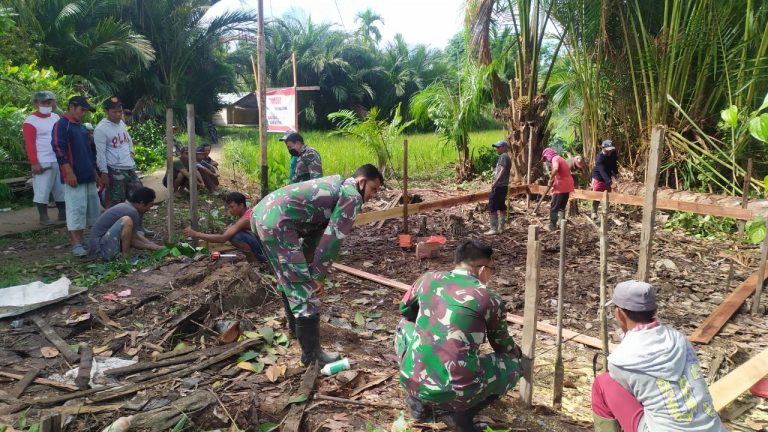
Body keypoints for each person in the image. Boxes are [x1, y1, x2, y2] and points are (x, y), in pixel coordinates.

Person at [251, 164, 383, 365]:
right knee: (305, 292)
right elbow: (333, 238)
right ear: (362, 181)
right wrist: (318, 277)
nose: (374, 195)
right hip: (278, 222)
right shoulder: (352, 196)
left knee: (291, 279)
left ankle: (296, 331)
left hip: (263, 214)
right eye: (373, 189)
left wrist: (310, 268)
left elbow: (316, 233)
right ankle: (312, 356)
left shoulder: (335, 187)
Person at [395, 239, 522, 431]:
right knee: (514, 365)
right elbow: (502, 346)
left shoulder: (428, 278)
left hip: (411, 380)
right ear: (482, 269)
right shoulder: (489, 298)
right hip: (459, 391)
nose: (491, 275)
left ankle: (419, 402)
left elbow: (405, 310)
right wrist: (518, 354)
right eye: (491, 270)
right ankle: (463, 414)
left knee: (404, 326)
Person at [592, 280, 725, 432]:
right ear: (654, 310)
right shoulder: (678, 339)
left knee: (603, 383)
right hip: (715, 429)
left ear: (619, 313)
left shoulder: (621, 360)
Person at [52, 96, 100, 257]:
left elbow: (88, 151)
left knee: (89, 209)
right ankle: (76, 243)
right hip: (74, 175)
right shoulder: (62, 125)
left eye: (85, 111)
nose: (84, 113)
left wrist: (95, 172)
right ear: (72, 107)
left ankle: (83, 239)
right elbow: (59, 148)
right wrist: (69, 172)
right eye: (82, 110)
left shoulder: (80, 127)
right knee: (75, 209)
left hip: (87, 174)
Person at [183, 192, 266, 264]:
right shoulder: (249, 212)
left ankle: (254, 262)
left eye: (232, 207)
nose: (230, 210)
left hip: (265, 250)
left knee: (235, 236)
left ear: (241, 205)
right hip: (266, 246)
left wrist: (196, 234)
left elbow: (222, 239)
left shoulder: (245, 219)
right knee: (234, 233)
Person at [23, 91, 64, 225]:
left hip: (57, 158)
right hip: (42, 159)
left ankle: (62, 214)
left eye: (49, 102)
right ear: (36, 104)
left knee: (60, 188)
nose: (47, 105)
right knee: (42, 189)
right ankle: (43, 217)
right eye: (43, 103)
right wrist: (34, 163)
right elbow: (30, 144)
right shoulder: (31, 121)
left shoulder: (55, 117)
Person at [87, 187, 163, 260]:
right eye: (149, 206)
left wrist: (153, 245)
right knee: (127, 221)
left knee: (139, 233)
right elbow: (133, 241)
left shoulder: (127, 207)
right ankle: (125, 256)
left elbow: (135, 235)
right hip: (100, 251)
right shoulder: (131, 211)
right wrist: (155, 248)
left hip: (101, 245)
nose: (148, 209)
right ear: (142, 203)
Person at [94, 97, 142, 208]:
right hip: (114, 168)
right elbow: (100, 153)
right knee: (116, 201)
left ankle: (134, 221)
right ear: (106, 111)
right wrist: (104, 172)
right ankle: (115, 222)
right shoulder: (101, 129)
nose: (118, 115)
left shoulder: (121, 123)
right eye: (114, 112)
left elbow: (128, 139)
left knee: (138, 195)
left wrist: (131, 152)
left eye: (120, 111)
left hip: (128, 166)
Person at [542, 147, 574, 230]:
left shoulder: (555, 159)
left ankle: (552, 226)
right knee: (561, 207)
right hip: (568, 185)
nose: (547, 160)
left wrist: (550, 178)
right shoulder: (561, 158)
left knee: (554, 206)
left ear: (548, 155)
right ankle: (561, 225)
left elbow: (556, 168)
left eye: (546, 158)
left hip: (561, 186)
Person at [484, 140, 511, 235]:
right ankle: (501, 227)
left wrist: (495, 182)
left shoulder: (503, 156)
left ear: (504, 147)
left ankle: (494, 228)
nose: (497, 149)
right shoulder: (506, 157)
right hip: (503, 186)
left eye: (498, 147)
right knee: (501, 206)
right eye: (496, 147)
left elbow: (502, 170)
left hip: (499, 186)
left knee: (492, 206)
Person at [591, 140, 619, 218]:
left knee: (607, 195)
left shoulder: (613, 154)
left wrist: (616, 173)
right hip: (599, 177)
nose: (609, 152)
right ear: (603, 148)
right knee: (597, 194)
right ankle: (594, 212)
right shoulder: (599, 158)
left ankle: (605, 212)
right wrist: (610, 182)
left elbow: (614, 164)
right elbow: (602, 171)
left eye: (611, 150)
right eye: (608, 150)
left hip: (608, 176)